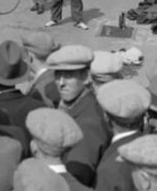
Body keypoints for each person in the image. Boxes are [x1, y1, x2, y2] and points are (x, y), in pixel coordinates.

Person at [46, 44, 111, 187]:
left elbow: (76, 179)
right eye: (58, 75)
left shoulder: (87, 124)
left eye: (68, 76)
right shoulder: (78, 107)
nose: (61, 83)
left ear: (87, 77)